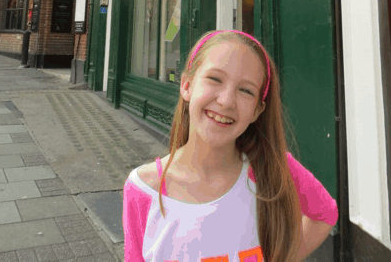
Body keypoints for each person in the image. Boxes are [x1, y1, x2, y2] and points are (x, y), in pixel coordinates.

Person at [123, 30, 338, 262]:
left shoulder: (273, 168)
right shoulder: (143, 189)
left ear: (257, 110)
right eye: (215, 79)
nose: (226, 101)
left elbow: (325, 213)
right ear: (186, 85)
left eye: (245, 90)